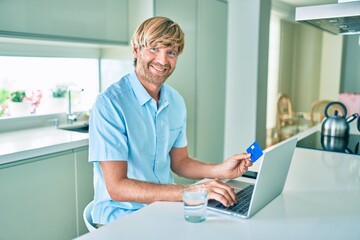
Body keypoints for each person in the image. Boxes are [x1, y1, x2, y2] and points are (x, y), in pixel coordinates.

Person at [88, 16, 252, 225]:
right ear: (136, 50)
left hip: (164, 208)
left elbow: (180, 162)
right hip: (120, 218)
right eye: (154, 49)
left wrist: (220, 170)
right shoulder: (110, 104)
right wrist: (193, 190)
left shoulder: (175, 101)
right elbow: (117, 187)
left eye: (171, 52)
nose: (163, 61)